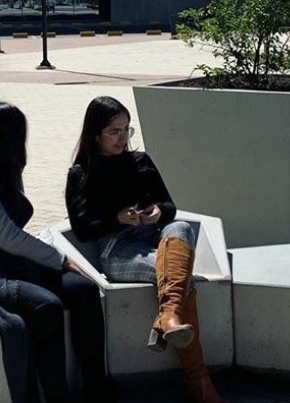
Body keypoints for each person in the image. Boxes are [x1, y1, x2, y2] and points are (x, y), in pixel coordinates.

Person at [0, 101, 113, 403]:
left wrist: (56, 261)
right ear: (3, 137)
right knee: (46, 306)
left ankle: (95, 385)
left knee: (84, 288)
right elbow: (6, 235)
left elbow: (10, 237)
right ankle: (55, 396)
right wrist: (59, 258)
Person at [64, 96, 225, 403]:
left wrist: (157, 214)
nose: (122, 138)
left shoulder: (140, 161)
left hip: (155, 237)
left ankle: (167, 318)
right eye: (114, 131)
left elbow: (170, 208)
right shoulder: (81, 172)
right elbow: (84, 228)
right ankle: (198, 378)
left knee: (179, 229)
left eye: (127, 129)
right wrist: (116, 219)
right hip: (118, 250)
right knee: (180, 279)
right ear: (95, 133)